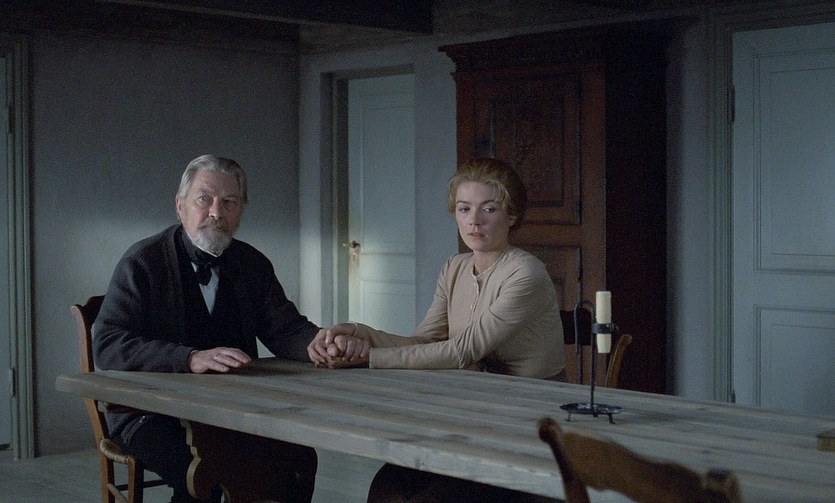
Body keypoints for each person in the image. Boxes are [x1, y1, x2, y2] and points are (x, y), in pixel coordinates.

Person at [308, 157, 564, 503]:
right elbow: (424, 341)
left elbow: (461, 351)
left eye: (489, 209)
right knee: (387, 487)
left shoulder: (525, 273)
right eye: (464, 208)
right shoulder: (454, 267)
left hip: (532, 417)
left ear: (512, 216)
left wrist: (368, 358)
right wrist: (358, 331)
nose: (474, 220)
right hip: (474, 407)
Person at [94, 155, 319, 503]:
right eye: (205, 199)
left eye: (229, 202)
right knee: (206, 475)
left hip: (231, 409)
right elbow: (108, 344)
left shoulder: (252, 264)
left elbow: (286, 330)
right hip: (149, 413)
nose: (217, 212)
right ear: (180, 205)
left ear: (240, 211)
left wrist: (321, 344)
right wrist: (189, 358)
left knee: (298, 459)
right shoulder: (143, 262)